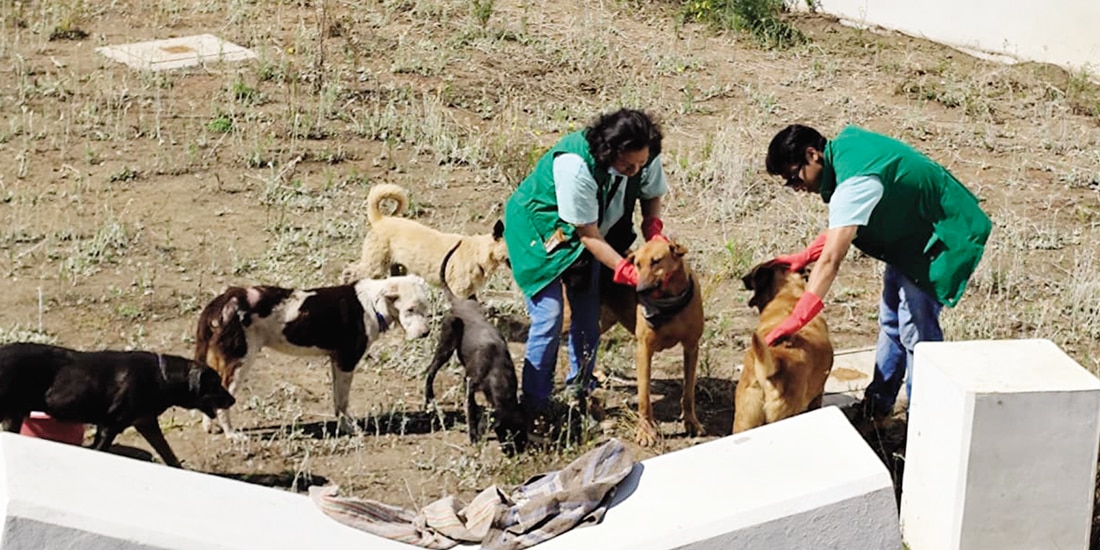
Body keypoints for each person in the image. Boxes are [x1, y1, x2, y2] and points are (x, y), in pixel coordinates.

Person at [763, 124, 992, 419]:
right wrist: (804, 257)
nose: (796, 187)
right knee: (892, 320)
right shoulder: (845, 150)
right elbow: (846, 225)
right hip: (913, 235)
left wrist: (798, 318)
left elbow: (832, 258)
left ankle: (923, 422)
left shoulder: (855, 181)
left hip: (942, 234)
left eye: (794, 177)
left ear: (813, 154)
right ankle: (878, 407)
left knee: (916, 334)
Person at [503, 108, 668, 418]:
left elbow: (651, 192)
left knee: (587, 314)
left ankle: (580, 388)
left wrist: (653, 229)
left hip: (589, 230)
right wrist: (625, 270)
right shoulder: (576, 167)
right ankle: (535, 404)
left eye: (640, 163)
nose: (634, 170)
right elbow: (588, 235)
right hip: (540, 231)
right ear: (608, 153)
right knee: (550, 314)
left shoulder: (644, 153)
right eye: (626, 165)